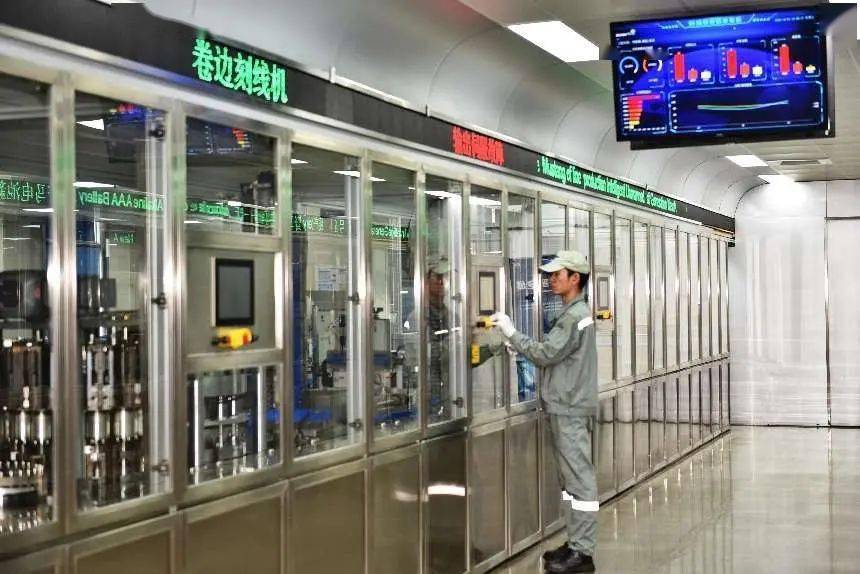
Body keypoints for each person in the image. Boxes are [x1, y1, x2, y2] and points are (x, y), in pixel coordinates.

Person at [491, 249, 598, 573]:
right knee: (570, 482)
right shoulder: (573, 313)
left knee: (579, 482)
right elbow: (555, 355)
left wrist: (512, 333)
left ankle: (583, 553)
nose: (551, 280)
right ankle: (575, 544)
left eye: (557, 274)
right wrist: (520, 346)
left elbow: (546, 354)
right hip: (565, 406)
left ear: (575, 278)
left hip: (570, 409)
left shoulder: (574, 316)